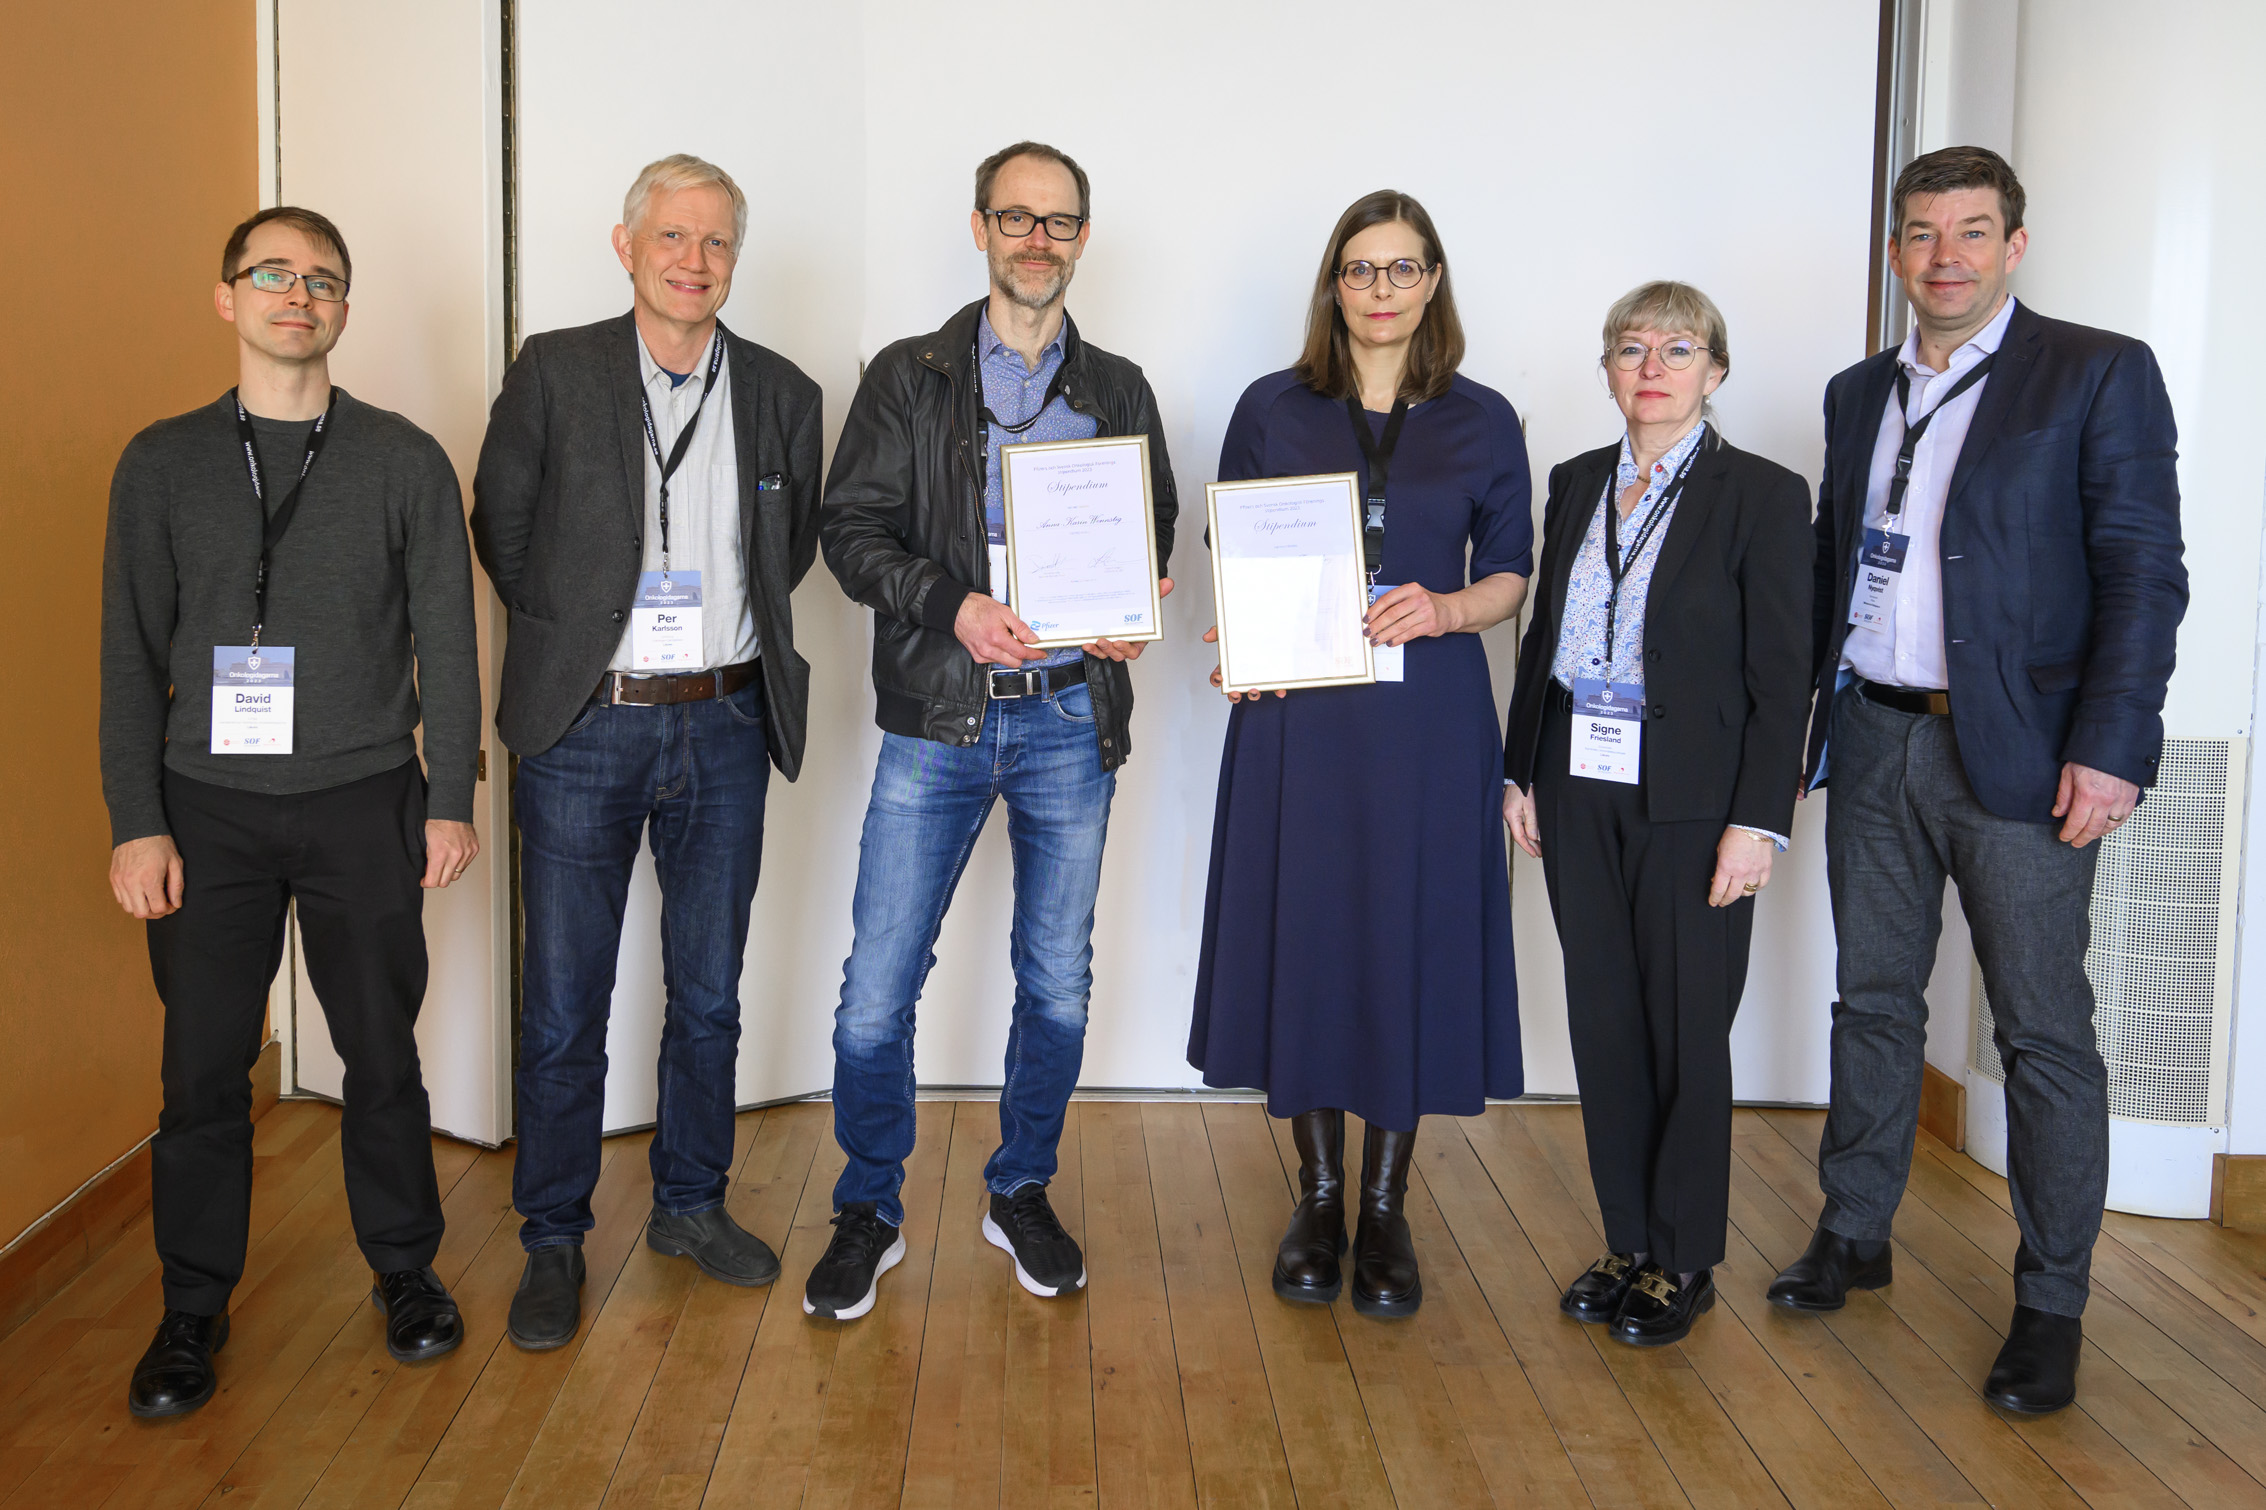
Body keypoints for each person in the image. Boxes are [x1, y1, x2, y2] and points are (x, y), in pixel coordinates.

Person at [1771, 146, 2186, 1413]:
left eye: (1969, 230)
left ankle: (2051, 1301)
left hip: (2025, 751)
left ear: (2014, 243)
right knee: (1873, 1000)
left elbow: (2143, 571)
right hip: (1877, 732)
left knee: (2043, 1033)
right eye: (1918, 233)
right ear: (1894, 252)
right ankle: (1855, 1229)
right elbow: (1845, 559)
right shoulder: (1857, 392)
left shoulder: (2096, 371)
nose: (1942, 255)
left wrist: (2112, 748)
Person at [102, 206, 480, 1416]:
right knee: (203, 1068)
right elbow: (126, 654)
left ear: (343, 310)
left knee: (381, 1054)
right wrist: (135, 818)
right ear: (228, 298)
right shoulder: (159, 462)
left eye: (322, 280)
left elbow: (450, 643)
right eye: (272, 274)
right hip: (203, 809)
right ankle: (191, 1307)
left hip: (365, 797)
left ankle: (406, 1270)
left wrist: (451, 796)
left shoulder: (403, 457)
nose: (296, 295)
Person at [812, 141, 1177, 1321]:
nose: (1037, 240)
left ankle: (1019, 1186)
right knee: (877, 987)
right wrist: (950, 604)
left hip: (1072, 718)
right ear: (979, 229)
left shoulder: (1118, 386)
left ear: (1081, 236)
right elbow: (850, 531)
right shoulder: (907, 375)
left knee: (1055, 983)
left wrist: (1131, 608)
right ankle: (869, 1205)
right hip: (938, 719)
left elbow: (1150, 522)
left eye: (1058, 221)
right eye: (1014, 219)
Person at [471, 155, 824, 1349]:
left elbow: (784, 554)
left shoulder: (781, 389)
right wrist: (583, 644)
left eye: (716, 241)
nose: (693, 260)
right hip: (584, 723)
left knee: (709, 994)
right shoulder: (555, 370)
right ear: (625, 247)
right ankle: (553, 1237)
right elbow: (501, 527)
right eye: (671, 237)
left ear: (736, 255)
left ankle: (687, 1204)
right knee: (566, 1002)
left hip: (724, 718)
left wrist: (702, 658)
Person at [1187, 190, 1531, 1319]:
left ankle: (1385, 1206)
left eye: (1402, 268)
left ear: (1432, 281)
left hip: (1428, 721)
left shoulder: (1486, 418)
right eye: (1359, 269)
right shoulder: (1271, 405)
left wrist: (1445, 608)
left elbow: (1511, 576)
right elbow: (1229, 544)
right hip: (1299, 715)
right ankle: (1319, 1194)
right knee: (1311, 931)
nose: (1380, 289)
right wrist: (1239, 638)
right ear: (1333, 285)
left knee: (1408, 936)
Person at [1502, 283, 1812, 1346]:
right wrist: (1518, 771)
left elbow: (1785, 675)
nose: (1652, 365)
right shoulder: (1576, 481)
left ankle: (1683, 1258)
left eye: (1678, 348)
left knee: (1685, 1028)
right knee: (1605, 1020)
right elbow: (1540, 641)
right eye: (1630, 347)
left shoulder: (1762, 496)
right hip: (1574, 779)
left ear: (1714, 371)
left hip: (1695, 799)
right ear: (1607, 369)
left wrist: (1757, 820)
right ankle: (1626, 1239)